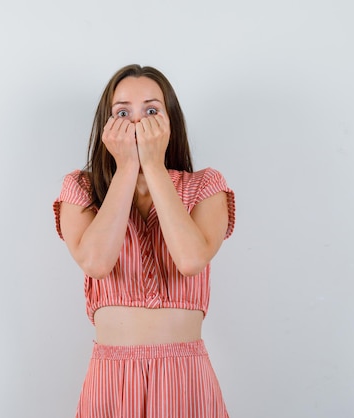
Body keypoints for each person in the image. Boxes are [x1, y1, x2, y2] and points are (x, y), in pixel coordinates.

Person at [53, 64, 236, 418]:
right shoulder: (80, 188)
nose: (137, 123)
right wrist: (126, 169)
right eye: (123, 112)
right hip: (111, 378)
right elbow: (96, 262)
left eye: (151, 111)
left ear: (171, 122)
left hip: (185, 377)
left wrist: (152, 166)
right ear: (106, 126)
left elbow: (191, 259)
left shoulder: (205, 186)